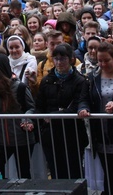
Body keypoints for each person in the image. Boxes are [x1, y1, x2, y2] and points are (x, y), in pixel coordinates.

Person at [78, 41, 113, 195]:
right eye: (100, 60)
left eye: (106, 60)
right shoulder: (91, 77)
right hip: (101, 133)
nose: (102, 64)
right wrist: (83, 108)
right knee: (109, 175)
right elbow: (84, 98)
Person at [35, 43, 88, 179]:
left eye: (62, 59)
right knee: (56, 171)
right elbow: (40, 105)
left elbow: (76, 106)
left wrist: (53, 116)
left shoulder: (80, 81)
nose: (59, 62)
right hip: (51, 134)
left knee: (74, 170)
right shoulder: (47, 80)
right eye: (56, 59)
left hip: (72, 133)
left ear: (70, 59)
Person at [0, 54, 36, 180]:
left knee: (24, 173)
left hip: (21, 138)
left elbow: (32, 107)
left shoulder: (20, 87)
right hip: (2, 139)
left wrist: (27, 119)